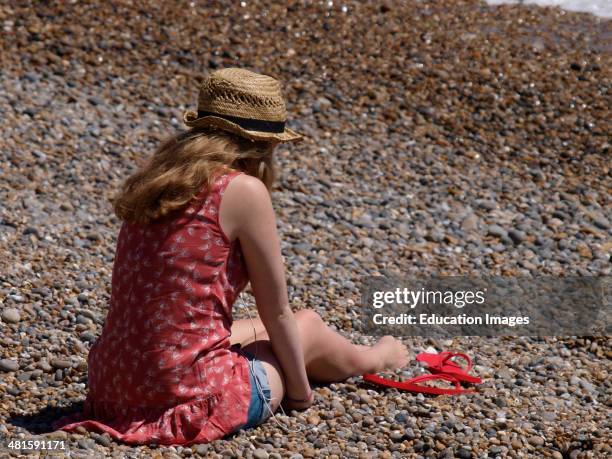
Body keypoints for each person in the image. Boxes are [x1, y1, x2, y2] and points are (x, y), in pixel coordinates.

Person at [54, 68, 409, 445]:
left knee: (249, 328)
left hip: (110, 387)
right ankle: (375, 358)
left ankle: (351, 356)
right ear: (264, 144)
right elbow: (278, 312)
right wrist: (299, 396)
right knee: (306, 325)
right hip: (184, 399)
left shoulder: (158, 183)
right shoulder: (243, 190)